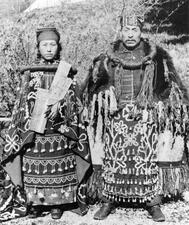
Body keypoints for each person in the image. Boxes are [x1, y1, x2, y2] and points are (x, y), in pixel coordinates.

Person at [83, 13, 189, 222]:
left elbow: (169, 86)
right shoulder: (106, 58)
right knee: (114, 157)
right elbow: (93, 86)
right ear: (120, 31)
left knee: (147, 157)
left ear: (141, 31)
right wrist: (105, 94)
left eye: (135, 30)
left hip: (146, 115)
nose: (130, 34)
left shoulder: (157, 56)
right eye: (126, 30)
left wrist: (158, 103)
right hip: (115, 116)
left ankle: (152, 202)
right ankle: (109, 200)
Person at [0, 27, 91, 221]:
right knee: (34, 164)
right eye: (44, 45)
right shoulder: (30, 72)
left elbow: (75, 100)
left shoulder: (67, 72)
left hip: (60, 129)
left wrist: (62, 105)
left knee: (58, 162)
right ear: (38, 47)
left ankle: (57, 204)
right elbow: (21, 101)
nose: (49, 49)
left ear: (58, 47)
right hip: (35, 130)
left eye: (52, 44)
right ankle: (35, 203)